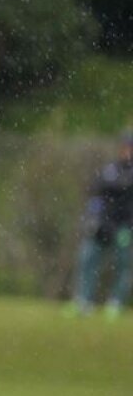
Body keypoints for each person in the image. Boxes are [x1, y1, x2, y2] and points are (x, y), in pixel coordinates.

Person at [66, 131, 133, 320]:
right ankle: (83, 301)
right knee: (87, 260)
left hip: (124, 228)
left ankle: (115, 303)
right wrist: (92, 217)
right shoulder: (109, 169)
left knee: (122, 265)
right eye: (126, 147)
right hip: (102, 225)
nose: (127, 152)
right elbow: (96, 194)